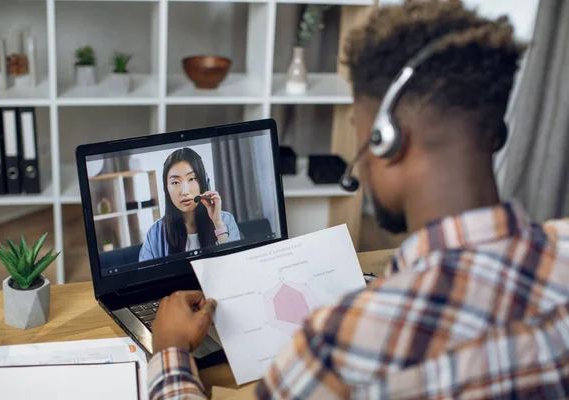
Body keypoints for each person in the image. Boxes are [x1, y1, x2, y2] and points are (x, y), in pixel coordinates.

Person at [147, 1, 569, 398]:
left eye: (360, 132)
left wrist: (171, 352)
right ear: (497, 132)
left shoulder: (337, 345)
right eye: (174, 182)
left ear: (387, 140)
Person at [139, 147, 240, 262]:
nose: (185, 191)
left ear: (203, 182)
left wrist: (218, 223)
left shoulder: (225, 220)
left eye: (192, 179)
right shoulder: (155, 233)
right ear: (166, 189)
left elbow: (236, 266)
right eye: (175, 182)